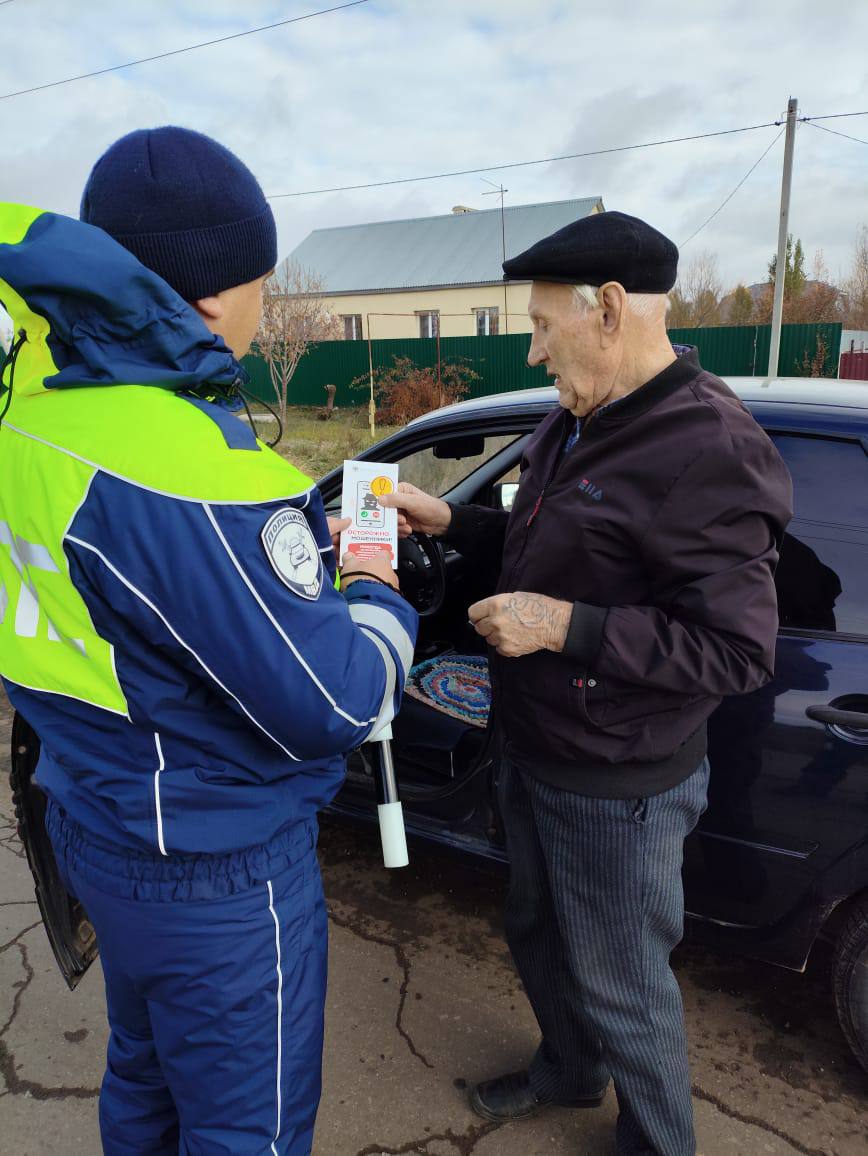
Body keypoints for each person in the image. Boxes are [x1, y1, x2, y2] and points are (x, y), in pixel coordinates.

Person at [0, 127, 417, 1155]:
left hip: (96, 820)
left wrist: (262, 569)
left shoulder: (33, 407)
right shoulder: (185, 467)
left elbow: (124, 589)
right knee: (248, 1130)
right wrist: (374, 592)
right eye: (266, 283)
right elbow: (332, 704)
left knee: (142, 1077)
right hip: (215, 872)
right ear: (219, 295)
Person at [380, 211, 792, 1156]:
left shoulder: (708, 447)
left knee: (623, 983)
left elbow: (736, 650)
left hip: (620, 782)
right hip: (537, 745)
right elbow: (543, 551)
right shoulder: (579, 416)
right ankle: (569, 1072)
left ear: (608, 309)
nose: (532, 351)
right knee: (537, 931)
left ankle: (658, 1141)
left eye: (540, 325)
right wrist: (449, 518)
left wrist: (562, 627)